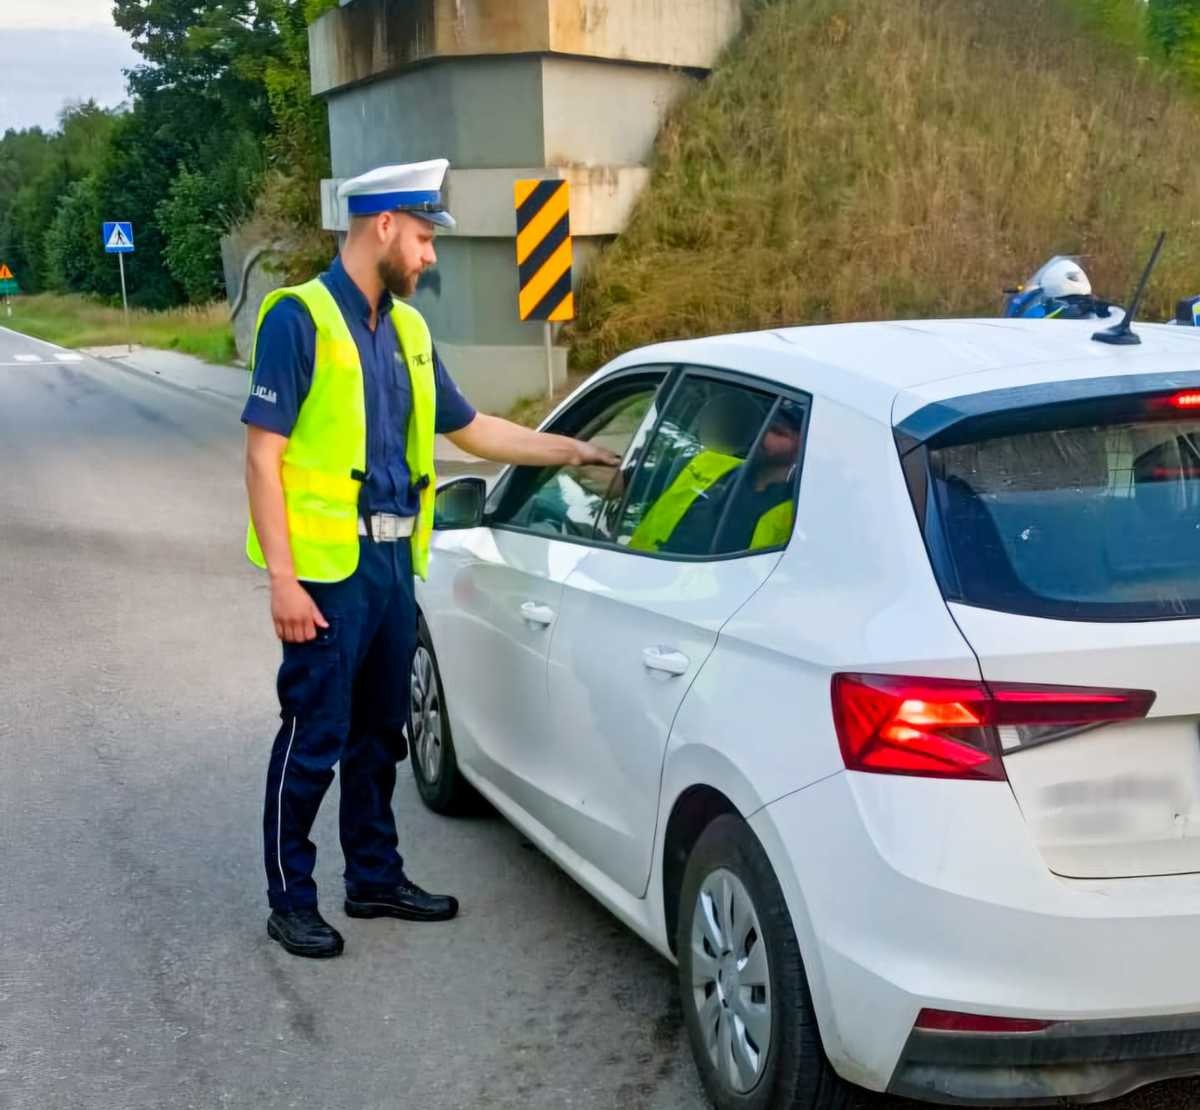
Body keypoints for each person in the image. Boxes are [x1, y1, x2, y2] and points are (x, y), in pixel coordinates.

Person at [242, 158, 618, 958]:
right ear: (383, 227)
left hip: (388, 569)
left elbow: (473, 428)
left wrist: (571, 448)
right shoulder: (297, 320)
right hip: (323, 576)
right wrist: (282, 579)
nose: (430, 255)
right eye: (422, 237)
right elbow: (262, 457)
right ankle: (291, 896)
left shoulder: (409, 330)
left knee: (380, 736)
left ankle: (373, 878)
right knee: (314, 736)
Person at [629, 401, 802, 555]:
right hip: (639, 577)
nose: (762, 434)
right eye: (762, 425)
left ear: (801, 448)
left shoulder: (797, 510)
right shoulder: (705, 463)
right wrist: (602, 457)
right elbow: (623, 485)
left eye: (778, 432)